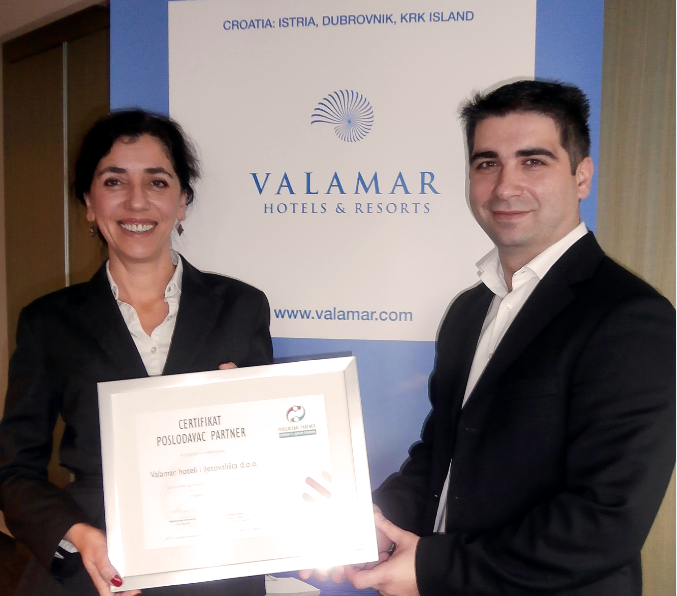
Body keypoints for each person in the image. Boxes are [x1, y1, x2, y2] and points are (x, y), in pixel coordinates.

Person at [304, 80, 676, 595]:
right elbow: (441, 454)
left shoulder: (630, 317)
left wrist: (435, 569)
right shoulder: (469, 311)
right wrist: (365, 527)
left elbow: (606, 521)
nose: (504, 186)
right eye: (486, 163)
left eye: (533, 161)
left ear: (582, 176)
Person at [0, 110, 273, 596]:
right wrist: (77, 536)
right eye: (114, 181)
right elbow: (15, 471)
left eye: (158, 182)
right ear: (89, 203)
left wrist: (254, 420)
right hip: (94, 568)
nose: (137, 201)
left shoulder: (241, 307)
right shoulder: (48, 322)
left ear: (183, 201)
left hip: (215, 564)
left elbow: (270, 454)